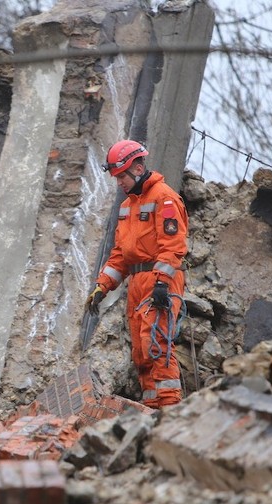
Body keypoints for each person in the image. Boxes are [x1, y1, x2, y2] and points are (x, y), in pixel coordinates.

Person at [85, 139, 189, 409]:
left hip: (159, 280)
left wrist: (162, 284)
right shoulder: (127, 207)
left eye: (122, 176)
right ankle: (151, 409)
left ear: (139, 167)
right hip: (137, 282)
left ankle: (169, 409)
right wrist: (102, 286)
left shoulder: (164, 197)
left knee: (156, 344)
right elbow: (120, 255)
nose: (119, 182)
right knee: (141, 353)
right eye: (116, 177)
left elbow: (173, 245)